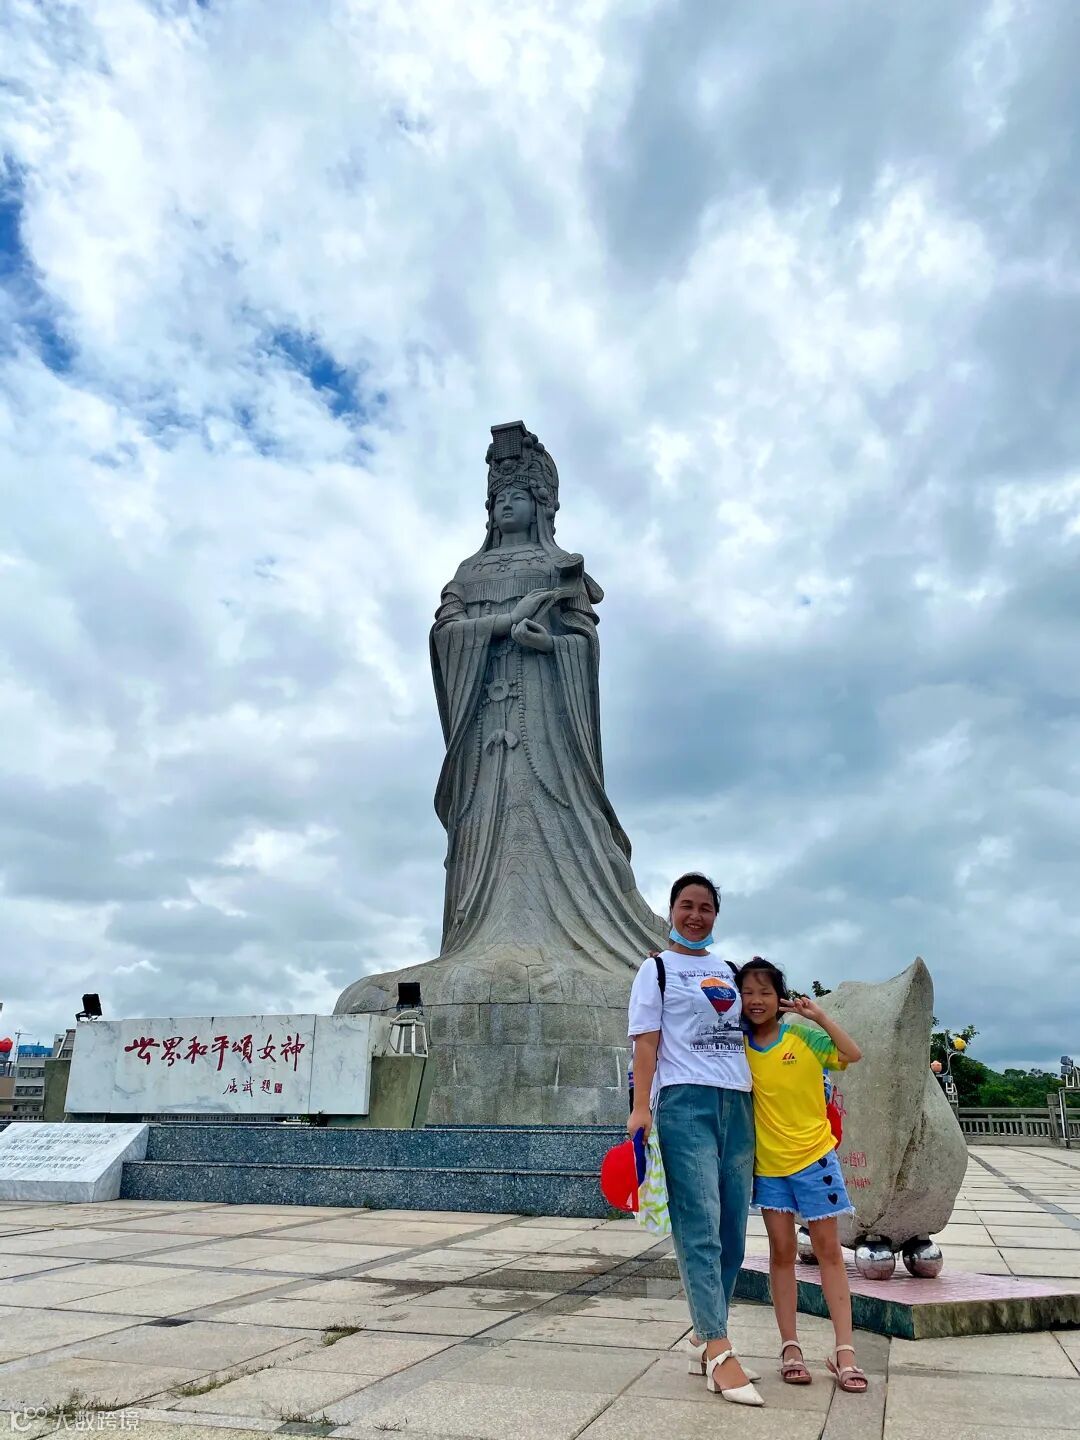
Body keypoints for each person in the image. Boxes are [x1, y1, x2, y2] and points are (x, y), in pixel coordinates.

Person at [627, 873, 763, 1407]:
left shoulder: (728, 970)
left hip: (739, 1102)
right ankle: (719, 1348)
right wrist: (641, 1108)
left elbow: (756, 1025)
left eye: (706, 907)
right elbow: (646, 1043)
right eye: (687, 905)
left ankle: (703, 1337)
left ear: (715, 915)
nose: (696, 915)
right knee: (700, 1224)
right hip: (685, 1102)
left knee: (733, 1233)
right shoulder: (656, 969)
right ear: (671, 911)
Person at [738, 956, 867, 1394]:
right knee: (781, 1252)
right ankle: (790, 1347)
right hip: (769, 1168)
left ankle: (844, 1351)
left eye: (765, 992)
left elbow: (851, 1054)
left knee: (829, 1251)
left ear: (780, 997)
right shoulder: (738, 1045)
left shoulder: (803, 1036)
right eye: (747, 992)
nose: (756, 1000)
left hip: (814, 1160)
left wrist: (820, 1017)